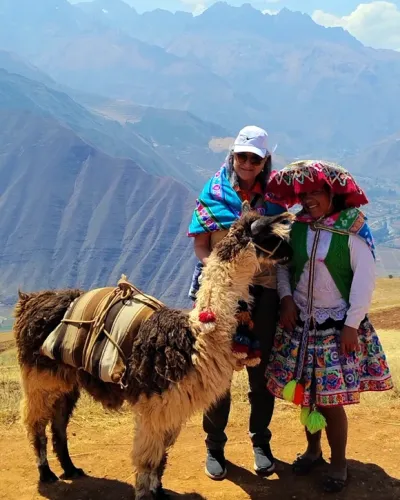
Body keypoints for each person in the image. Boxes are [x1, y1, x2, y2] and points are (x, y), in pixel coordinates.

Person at [265, 160, 393, 493]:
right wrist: (286, 299)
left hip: (335, 325)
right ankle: (313, 450)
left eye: (315, 192)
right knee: (307, 395)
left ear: (332, 193)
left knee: (331, 401)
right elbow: (283, 266)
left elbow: (364, 280)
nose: (308, 199)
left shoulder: (352, 230)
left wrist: (352, 324)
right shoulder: (297, 227)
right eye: (303, 193)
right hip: (302, 323)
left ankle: (339, 464)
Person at [187, 126, 286, 479]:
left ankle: (261, 441)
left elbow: (282, 254)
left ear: (264, 162)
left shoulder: (274, 201)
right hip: (223, 293)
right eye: (242, 156)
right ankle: (214, 446)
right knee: (218, 373)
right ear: (234, 156)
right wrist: (216, 268)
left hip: (264, 292)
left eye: (254, 158)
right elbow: (201, 244)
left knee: (261, 374)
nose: (247, 163)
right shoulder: (213, 193)